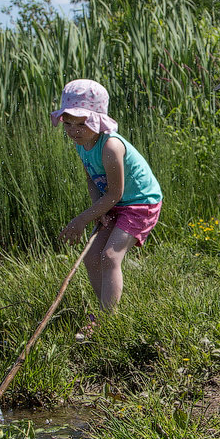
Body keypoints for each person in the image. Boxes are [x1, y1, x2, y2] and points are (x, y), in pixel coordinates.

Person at [51, 79, 162, 314]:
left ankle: (107, 319)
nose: (73, 131)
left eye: (80, 123)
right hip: (113, 203)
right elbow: (92, 178)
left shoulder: (111, 147)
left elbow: (115, 192)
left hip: (140, 203)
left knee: (110, 256)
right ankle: (104, 310)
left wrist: (82, 219)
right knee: (92, 257)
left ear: (96, 120)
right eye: (67, 123)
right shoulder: (82, 144)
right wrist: (97, 211)